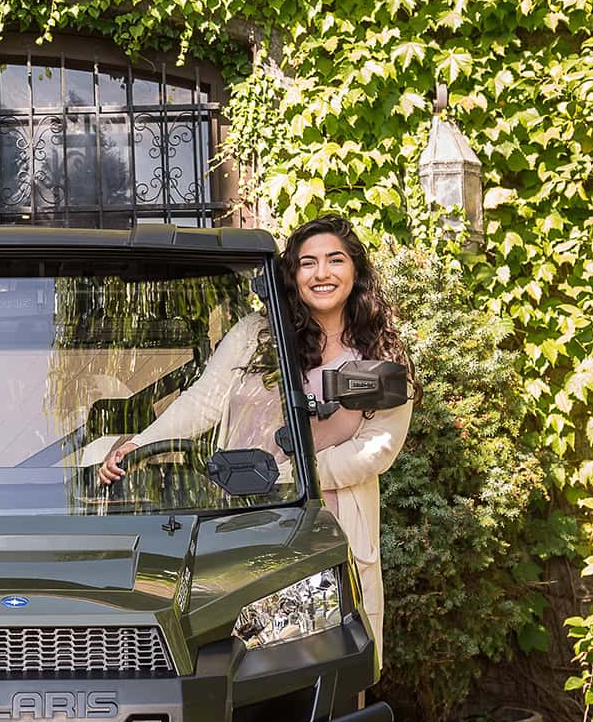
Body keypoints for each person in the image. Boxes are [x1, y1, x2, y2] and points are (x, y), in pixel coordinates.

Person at [98, 215, 415, 646]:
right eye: (308, 263)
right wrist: (138, 444)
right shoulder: (257, 334)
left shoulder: (380, 353)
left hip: (330, 521)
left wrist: (293, 478)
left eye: (335, 260)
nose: (322, 273)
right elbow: (202, 402)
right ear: (291, 274)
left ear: (355, 270)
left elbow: (377, 449)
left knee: (331, 655)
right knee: (244, 651)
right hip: (243, 516)